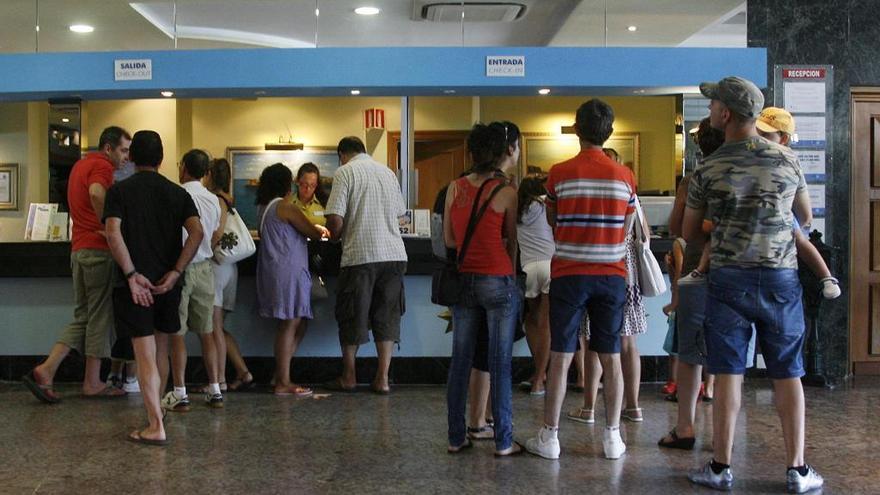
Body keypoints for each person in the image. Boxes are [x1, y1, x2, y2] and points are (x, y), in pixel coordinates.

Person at [685, 76, 823, 493]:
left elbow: (690, 232)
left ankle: (720, 466)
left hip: (728, 277)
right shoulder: (786, 160)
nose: (709, 112)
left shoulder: (707, 168)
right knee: (788, 373)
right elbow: (805, 217)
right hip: (780, 277)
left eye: (712, 107)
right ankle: (797, 471)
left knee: (728, 372)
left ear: (726, 114)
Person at [525, 99, 636, 461]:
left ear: (577, 129)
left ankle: (550, 437)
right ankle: (612, 437)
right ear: (609, 131)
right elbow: (628, 226)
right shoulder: (625, 176)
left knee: (561, 353)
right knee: (611, 356)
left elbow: (553, 221)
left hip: (570, 272)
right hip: (611, 275)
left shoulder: (559, 173)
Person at [103, 130, 203, 445]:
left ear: (131, 158)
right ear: (161, 160)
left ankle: (155, 424)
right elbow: (197, 233)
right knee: (160, 350)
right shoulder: (177, 193)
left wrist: (131, 273)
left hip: (137, 284)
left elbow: (112, 232)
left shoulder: (119, 191)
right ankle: (155, 414)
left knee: (144, 355)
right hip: (166, 284)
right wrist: (176, 271)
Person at [22, 126, 131, 403]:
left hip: (79, 251)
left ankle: (47, 369)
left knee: (83, 316)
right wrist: (108, 226)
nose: (126, 157)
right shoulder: (103, 168)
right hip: (98, 252)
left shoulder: (80, 166)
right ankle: (92, 382)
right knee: (99, 317)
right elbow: (96, 194)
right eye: (123, 150)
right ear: (108, 148)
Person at [444, 122, 522, 456]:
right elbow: (513, 245)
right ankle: (503, 441)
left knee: (460, 360)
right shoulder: (506, 191)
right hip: (498, 280)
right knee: (499, 361)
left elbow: (449, 240)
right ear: (501, 152)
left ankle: (455, 437)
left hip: (465, 281)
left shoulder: (454, 187)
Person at [568, 148, 648, 425]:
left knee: (593, 341)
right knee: (628, 342)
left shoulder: (594, 194)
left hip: (602, 268)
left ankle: (590, 407)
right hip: (629, 273)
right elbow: (645, 234)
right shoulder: (629, 192)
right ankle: (633, 406)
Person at [324, 137, 408, 394]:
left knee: (352, 316)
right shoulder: (387, 173)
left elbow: (336, 219)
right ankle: (382, 379)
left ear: (342, 154)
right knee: (387, 315)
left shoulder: (345, 172)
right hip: (394, 254)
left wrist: (332, 234)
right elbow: (400, 214)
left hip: (360, 254)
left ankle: (349, 377)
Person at [160, 149, 224, 412]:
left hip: (182, 267)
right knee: (206, 331)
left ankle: (179, 391)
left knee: (178, 333)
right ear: (206, 172)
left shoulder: (176, 195)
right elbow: (215, 234)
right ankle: (215, 388)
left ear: (183, 166)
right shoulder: (213, 199)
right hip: (206, 269)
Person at [755, 107, 840, 299]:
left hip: (783, 220)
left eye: (765, 135)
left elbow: (804, 217)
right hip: (777, 249)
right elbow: (806, 214)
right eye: (757, 133)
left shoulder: (788, 161)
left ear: (783, 139)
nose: (759, 139)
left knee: (800, 238)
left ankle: (827, 277)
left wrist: (784, 224)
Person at [256, 163, 325, 396]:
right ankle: (283, 381)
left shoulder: (264, 207)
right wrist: (322, 230)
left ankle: (280, 374)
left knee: (293, 322)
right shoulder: (286, 207)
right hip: (288, 272)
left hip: (274, 271)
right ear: (288, 184)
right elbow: (313, 232)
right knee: (291, 323)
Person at [205, 158, 254, 391]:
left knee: (213, 327)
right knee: (220, 327)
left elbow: (217, 232)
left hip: (217, 265)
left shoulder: (216, 200)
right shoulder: (230, 200)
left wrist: (206, 248)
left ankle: (220, 380)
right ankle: (243, 371)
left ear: (209, 176)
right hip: (230, 267)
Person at [517, 175, 555, 397]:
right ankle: (540, 377)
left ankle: (537, 372)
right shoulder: (547, 206)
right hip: (551, 266)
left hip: (529, 269)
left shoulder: (518, 209)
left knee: (531, 322)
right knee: (546, 325)